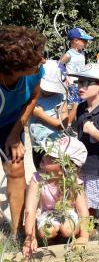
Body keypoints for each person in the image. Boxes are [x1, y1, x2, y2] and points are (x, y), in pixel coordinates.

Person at [0, 25, 46, 236]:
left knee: (16, 166)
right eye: (35, 62)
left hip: (11, 122)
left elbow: (33, 97)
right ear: (14, 68)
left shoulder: (34, 73)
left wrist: (14, 134)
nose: (42, 63)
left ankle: (18, 230)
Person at [69, 63, 99, 235]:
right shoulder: (81, 107)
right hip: (86, 163)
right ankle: (91, 229)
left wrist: (94, 132)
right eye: (79, 82)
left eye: (86, 83)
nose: (80, 87)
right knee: (88, 200)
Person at [23, 136, 90, 258]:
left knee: (68, 228)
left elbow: (82, 210)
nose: (44, 156)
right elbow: (30, 210)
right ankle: (49, 243)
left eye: (51, 157)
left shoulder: (73, 181)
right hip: (47, 213)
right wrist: (29, 237)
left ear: (65, 166)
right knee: (47, 231)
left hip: (68, 212)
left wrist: (84, 236)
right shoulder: (37, 179)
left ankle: (66, 240)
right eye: (46, 153)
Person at [29, 60, 68, 169]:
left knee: (54, 175)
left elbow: (62, 124)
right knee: (40, 173)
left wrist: (41, 115)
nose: (48, 91)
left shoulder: (60, 98)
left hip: (54, 145)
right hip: (36, 146)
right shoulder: (33, 95)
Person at [59, 28, 93, 125]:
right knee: (77, 104)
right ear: (75, 40)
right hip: (73, 83)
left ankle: (80, 123)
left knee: (82, 103)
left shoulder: (82, 53)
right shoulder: (69, 54)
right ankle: (67, 125)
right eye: (84, 40)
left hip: (81, 82)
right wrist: (66, 77)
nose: (86, 43)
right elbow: (60, 65)